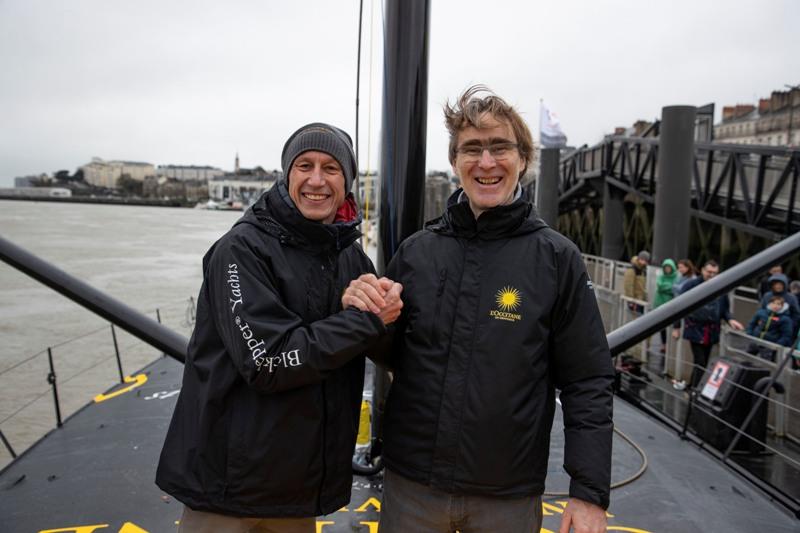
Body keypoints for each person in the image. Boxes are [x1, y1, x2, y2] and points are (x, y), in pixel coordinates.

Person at [345, 86, 614, 533]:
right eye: (472, 149)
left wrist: (588, 493)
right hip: (412, 486)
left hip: (507, 493)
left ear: (523, 159)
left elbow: (587, 379)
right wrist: (366, 311)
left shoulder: (556, 259)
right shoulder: (417, 252)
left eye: (499, 147)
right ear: (455, 163)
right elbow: (390, 351)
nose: (486, 162)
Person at [155, 123, 402, 533]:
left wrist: (388, 308)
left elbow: (384, 343)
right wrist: (363, 320)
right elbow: (268, 361)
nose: (317, 179)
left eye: (331, 168)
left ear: (348, 182)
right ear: (287, 175)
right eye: (305, 165)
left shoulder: (352, 259)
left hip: (296, 488)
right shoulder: (241, 250)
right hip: (228, 486)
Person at [671, 260, 744, 390]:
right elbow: (679, 307)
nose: (712, 275)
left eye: (715, 273)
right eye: (709, 272)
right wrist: (676, 327)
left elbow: (724, 308)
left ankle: (692, 387)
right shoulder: (691, 285)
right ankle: (695, 389)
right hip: (695, 328)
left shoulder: (721, 287)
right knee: (700, 361)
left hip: (712, 330)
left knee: (703, 361)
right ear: (703, 270)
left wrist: (730, 320)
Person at [654, 258, 678, 348]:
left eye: (669, 267)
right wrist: (669, 287)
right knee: (662, 326)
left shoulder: (676, 277)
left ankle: (671, 346)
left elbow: (674, 288)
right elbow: (660, 286)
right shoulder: (661, 276)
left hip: (670, 304)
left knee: (672, 325)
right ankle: (664, 344)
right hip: (660, 303)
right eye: (666, 267)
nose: (667, 269)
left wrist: (665, 287)